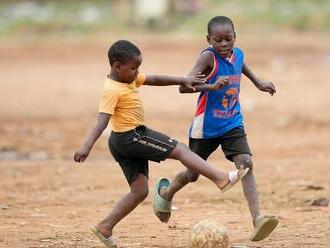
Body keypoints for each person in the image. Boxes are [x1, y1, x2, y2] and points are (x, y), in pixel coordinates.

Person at [73, 39, 249, 248]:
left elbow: (155, 78)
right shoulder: (112, 90)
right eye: (133, 68)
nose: (137, 72)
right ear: (117, 66)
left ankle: (105, 226)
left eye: (138, 67)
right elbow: (102, 121)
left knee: (139, 192)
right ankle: (220, 178)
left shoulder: (127, 79)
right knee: (181, 149)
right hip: (131, 136)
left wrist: (183, 79)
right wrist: (87, 146)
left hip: (122, 141)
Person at [153, 16, 279, 242]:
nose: (223, 44)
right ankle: (166, 193)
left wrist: (259, 82)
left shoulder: (238, 53)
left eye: (228, 39)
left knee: (246, 164)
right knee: (192, 175)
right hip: (206, 126)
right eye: (218, 40)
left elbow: (240, 65)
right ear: (208, 39)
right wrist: (211, 85)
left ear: (234, 38)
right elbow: (184, 87)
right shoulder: (207, 58)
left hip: (232, 121)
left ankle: (258, 219)